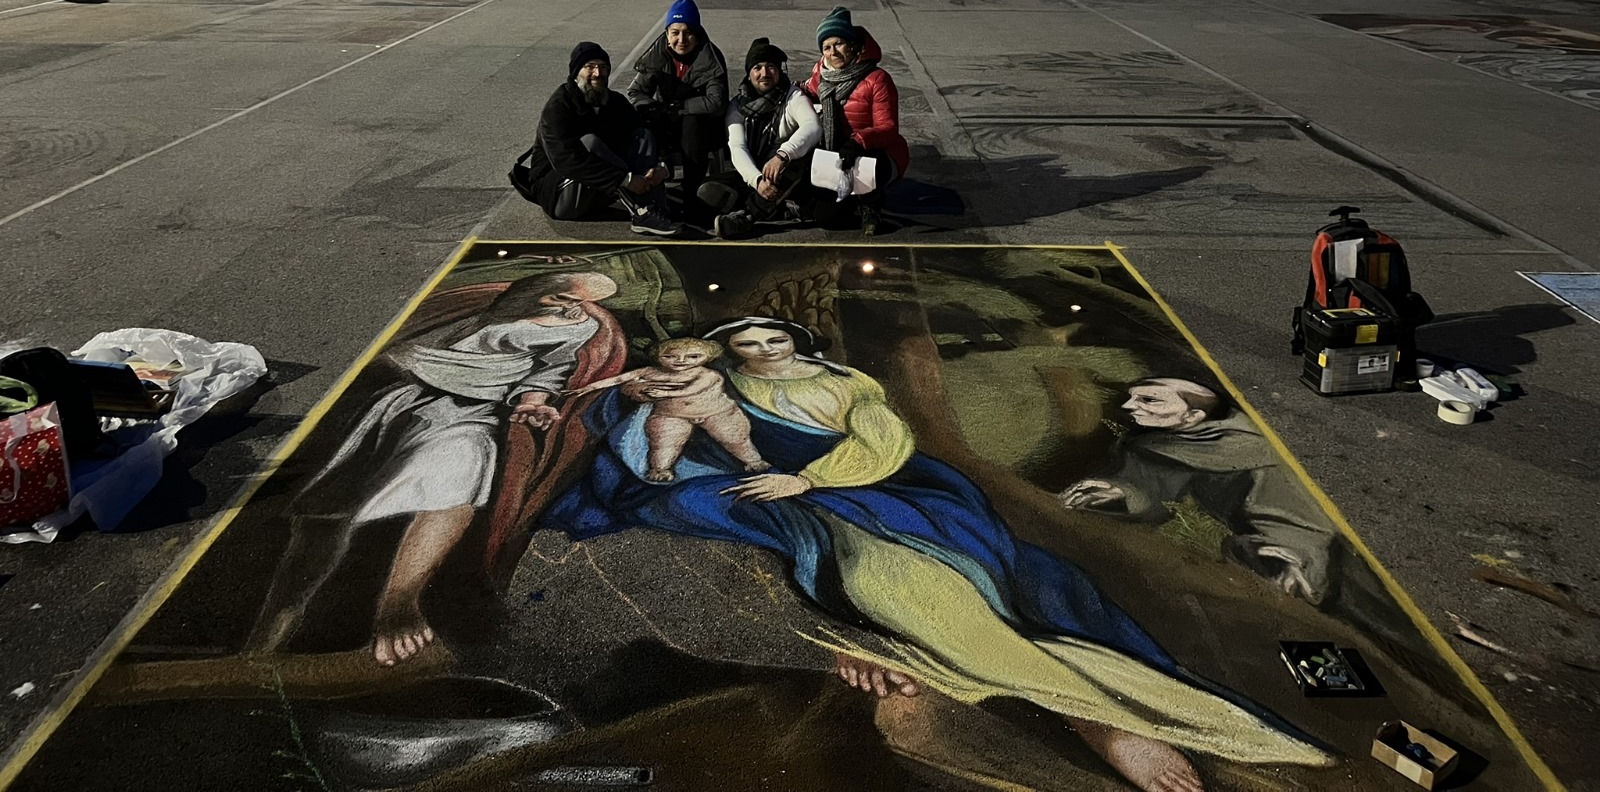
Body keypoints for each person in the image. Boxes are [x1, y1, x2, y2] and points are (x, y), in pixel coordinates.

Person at [546, 318, 1332, 792]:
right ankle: (1090, 716)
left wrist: (806, 478)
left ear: (795, 342)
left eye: (772, 339)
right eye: (744, 344)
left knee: (953, 582)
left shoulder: (845, 385)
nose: (759, 350)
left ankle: (1100, 716)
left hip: (867, 491)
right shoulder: (709, 383)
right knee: (879, 587)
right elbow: (649, 422)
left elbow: (884, 445)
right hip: (784, 508)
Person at [249, 271, 627, 667]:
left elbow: (551, 371)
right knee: (325, 522)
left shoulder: (579, 329)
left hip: (472, 413)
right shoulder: (480, 309)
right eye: (577, 299)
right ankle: (272, 628)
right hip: (403, 401)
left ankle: (399, 603)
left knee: (463, 468)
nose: (584, 310)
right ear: (551, 296)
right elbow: (409, 343)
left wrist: (532, 402)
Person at [1060, 378, 1338, 604]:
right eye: (1133, 397)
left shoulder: (1256, 450)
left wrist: (1293, 555)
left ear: (1193, 415)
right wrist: (1121, 491)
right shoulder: (1160, 442)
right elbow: (1157, 487)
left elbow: (1293, 517)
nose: (1129, 405)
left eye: (1149, 400)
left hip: (1290, 558)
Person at [517, 41, 679, 237]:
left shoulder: (614, 101)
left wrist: (663, 166)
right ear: (576, 72)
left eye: (603, 67)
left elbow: (646, 130)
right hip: (560, 197)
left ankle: (654, 208)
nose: (598, 73)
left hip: (601, 190)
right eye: (590, 67)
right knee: (589, 143)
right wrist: (625, 180)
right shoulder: (558, 108)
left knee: (642, 135)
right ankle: (641, 212)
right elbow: (567, 161)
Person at [570, 337, 769, 484]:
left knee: (735, 438)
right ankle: (661, 470)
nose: (681, 361)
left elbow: (691, 389)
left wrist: (663, 393)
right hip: (671, 414)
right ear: (658, 357)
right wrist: (589, 387)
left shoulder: (708, 374)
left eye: (693, 356)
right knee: (663, 441)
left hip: (717, 412)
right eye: (670, 356)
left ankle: (753, 461)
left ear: (707, 357)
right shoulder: (649, 372)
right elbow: (619, 379)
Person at [696, 37, 820, 239]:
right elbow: (737, 147)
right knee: (706, 191)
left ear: (779, 70)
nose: (764, 73)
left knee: (797, 160)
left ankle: (747, 217)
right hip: (757, 174)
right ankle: (780, 208)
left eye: (771, 66)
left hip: (786, 174)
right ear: (749, 73)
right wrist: (757, 180)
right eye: (757, 68)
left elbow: (812, 126)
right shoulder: (738, 105)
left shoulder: (793, 96)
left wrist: (783, 155)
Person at [804, 7, 909, 236]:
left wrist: (858, 141)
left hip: (877, 152)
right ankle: (848, 199)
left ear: (852, 45)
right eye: (826, 47)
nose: (833, 52)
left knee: (867, 165)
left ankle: (871, 202)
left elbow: (888, 128)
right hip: (839, 153)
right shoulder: (821, 74)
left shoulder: (877, 79)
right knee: (826, 218)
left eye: (839, 44)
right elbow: (807, 91)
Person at [627, 0, 729, 221]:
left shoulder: (710, 57)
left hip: (703, 127)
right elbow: (635, 92)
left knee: (692, 123)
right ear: (667, 34)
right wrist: (654, 108)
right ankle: (651, 189)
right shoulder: (658, 54)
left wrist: (681, 107)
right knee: (645, 118)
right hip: (667, 121)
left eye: (688, 33)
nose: (681, 40)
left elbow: (716, 101)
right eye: (675, 33)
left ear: (697, 34)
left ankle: (692, 195)